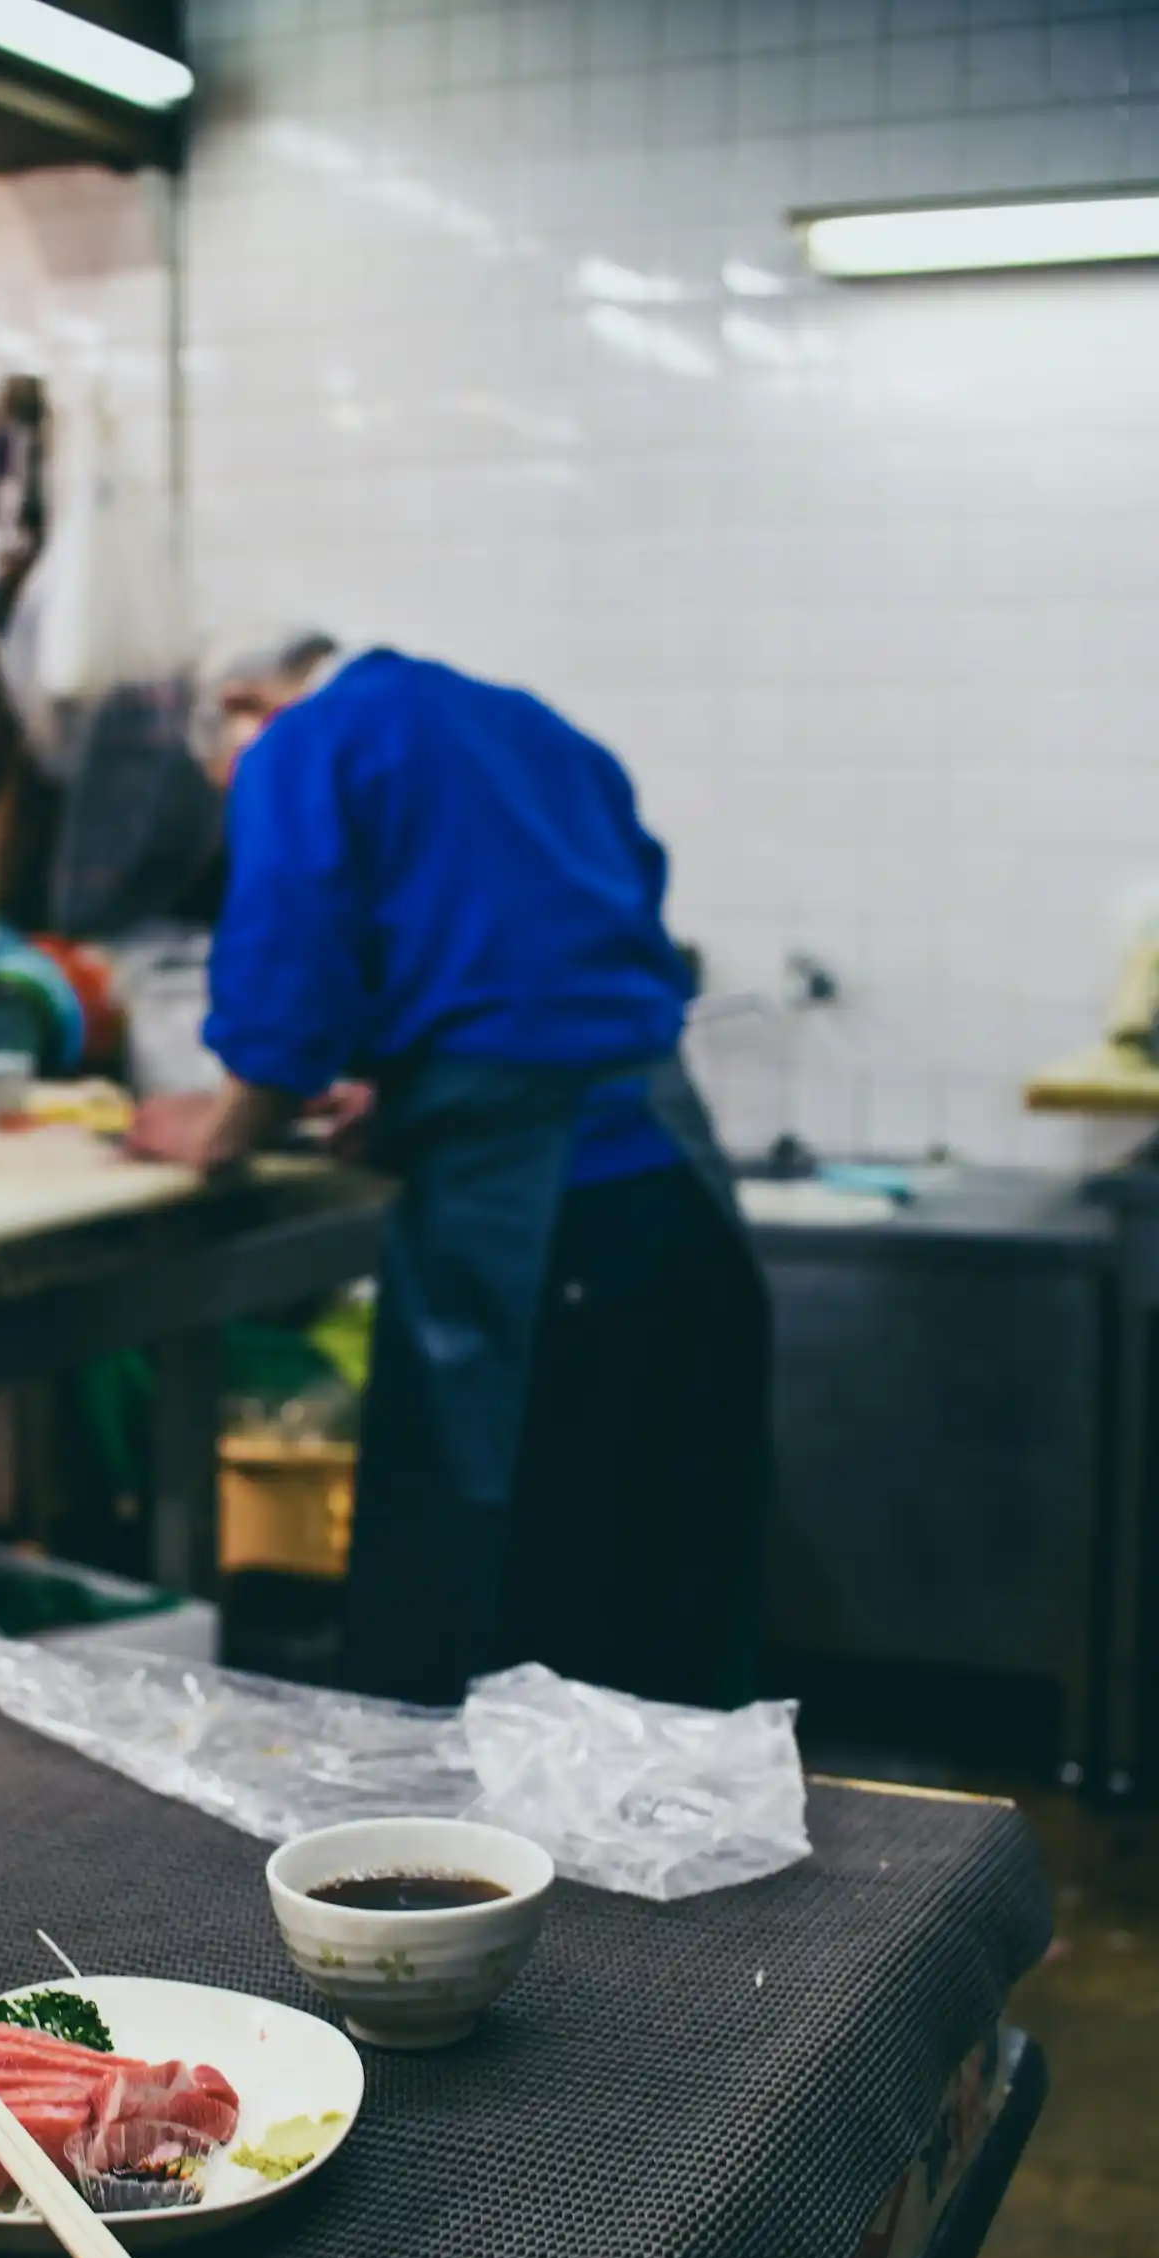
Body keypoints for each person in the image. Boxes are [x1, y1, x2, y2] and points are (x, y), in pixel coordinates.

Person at [129, 636, 771, 1712]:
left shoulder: (306, 742)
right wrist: (412, 1078)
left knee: (507, 1601)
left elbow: (287, 987)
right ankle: (672, 1866)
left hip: (535, 1222)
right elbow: (574, 950)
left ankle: (493, 1877)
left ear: (246, 706)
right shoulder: (526, 721)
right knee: (668, 1580)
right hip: (679, 1192)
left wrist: (221, 1128)